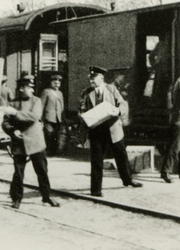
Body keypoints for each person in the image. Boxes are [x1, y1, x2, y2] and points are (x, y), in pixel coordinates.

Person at [79, 66, 142, 197]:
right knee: (96, 160)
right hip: (96, 130)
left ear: (101, 78)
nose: (91, 80)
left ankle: (128, 180)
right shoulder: (86, 92)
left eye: (94, 78)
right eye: (90, 78)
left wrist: (118, 111)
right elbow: (81, 109)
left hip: (113, 128)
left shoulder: (111, 89)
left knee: (121, 155)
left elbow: (123, 104)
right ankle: (95, 190)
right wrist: (83, 116)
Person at [2, 74, 60, 209]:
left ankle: (47, 197)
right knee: (18, 173)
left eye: (32, 87)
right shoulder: (13, 103)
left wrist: (15, 113)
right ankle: (16, 199)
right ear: (22, 88)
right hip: (19, 142)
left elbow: (33, 117)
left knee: (42, 171)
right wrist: (12, 131)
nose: (32, 90)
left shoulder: (36, 101)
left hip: (35, 142)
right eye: (29, 87)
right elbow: (5, 123)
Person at [40, 71, 66, 156]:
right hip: (48, 118)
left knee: (56, 135)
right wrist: (40, 119)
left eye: (58, 83)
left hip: (58, 118)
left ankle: (54, 151)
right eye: (54, 82)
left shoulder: (60, 93)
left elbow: (62, 105)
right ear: (51, 82)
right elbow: (41, 105)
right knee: (48, 134)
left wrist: (62, 116)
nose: (56, 84)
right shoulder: (46, 91)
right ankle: (48, 151)